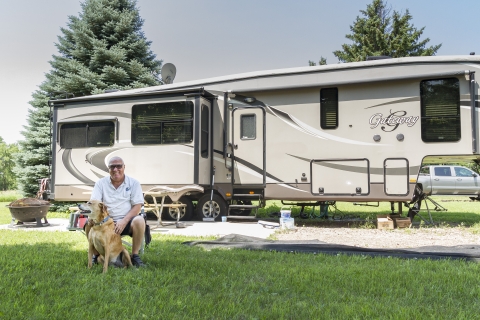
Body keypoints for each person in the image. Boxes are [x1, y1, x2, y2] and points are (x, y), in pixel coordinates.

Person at [88, 156, 146, 267]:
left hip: (126, 221)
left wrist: (124, 221)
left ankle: (135, 256)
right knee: (88, 224)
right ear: (108, 169)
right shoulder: (100, 183)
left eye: (118, 166)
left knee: (139, 220)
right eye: (112, 167)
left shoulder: (133, 183)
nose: (115, 169)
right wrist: (91, 217)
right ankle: (97, 255)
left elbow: (137, 206)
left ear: (124, 167)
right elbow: (94, 202)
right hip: (104, 222)